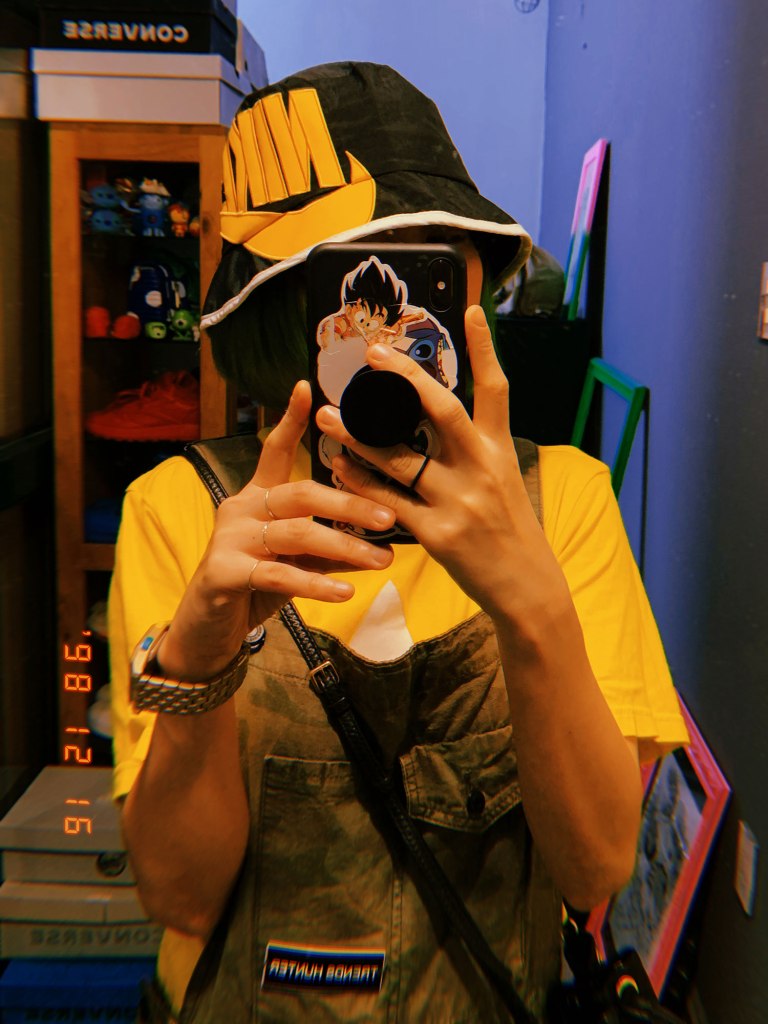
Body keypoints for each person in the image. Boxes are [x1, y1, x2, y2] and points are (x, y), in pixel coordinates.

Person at [109, 62, 688, 1024]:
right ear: (282, 309)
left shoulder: (567, 503)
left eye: (430, 271)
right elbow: (183, 899)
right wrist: (200, 658)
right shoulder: (180, 512)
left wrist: (531, 603)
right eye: (343, 280)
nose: (389, 338)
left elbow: (594, 871)